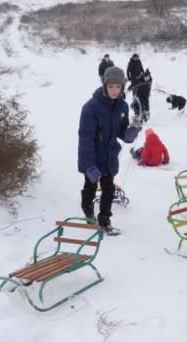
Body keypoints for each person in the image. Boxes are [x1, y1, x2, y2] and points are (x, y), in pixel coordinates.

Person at [78, 66, 142, 235]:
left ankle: (105, 220)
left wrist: (131, 132)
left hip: (110, 155)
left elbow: (122, 133)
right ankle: (88, 209)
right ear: (104, 85)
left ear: (122, 87)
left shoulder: (122, 106)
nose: (114, 90)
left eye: (118, 87)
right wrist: (89, 165)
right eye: (111, 86)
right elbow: (85, 139)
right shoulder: (90, 108)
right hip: (93, 155)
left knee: (109, 189)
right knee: (91, 186)